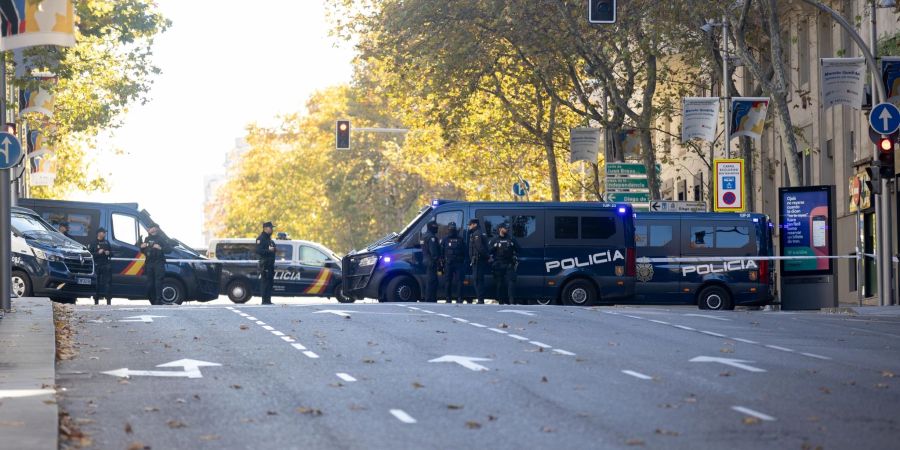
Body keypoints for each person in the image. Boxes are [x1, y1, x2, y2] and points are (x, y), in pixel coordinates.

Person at [141, 223, 172, 305]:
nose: (152, 229)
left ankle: (158, 300)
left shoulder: (161, 238)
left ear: (156, 229)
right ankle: (152, 300)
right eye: (151, 228)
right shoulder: (146, 239)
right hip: (149, 263)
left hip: (159, 263)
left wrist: (160, 248)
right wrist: (142, 247)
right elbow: (143, 251)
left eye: (154, 228)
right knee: (150, 283)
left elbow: (169, 249)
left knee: (158, 282)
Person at [489, 222, 519, 305]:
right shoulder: (494, 239)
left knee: (511, 282)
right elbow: (489, 251)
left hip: (509, 264)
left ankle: (511, 301)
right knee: (499, 284)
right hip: (498, 264)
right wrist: (494, 248)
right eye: (505, 228)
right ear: (500, 229)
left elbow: (519, 250)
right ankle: (500, 302)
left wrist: (515, 254)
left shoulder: (511, 239)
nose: (507, 229)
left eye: (507, 228)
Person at [440, 222, 466, 303]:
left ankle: (448, 298)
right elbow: (465, 251)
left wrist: (442, 262)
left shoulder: (445, 239)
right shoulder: (460, 239)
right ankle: (459, 298)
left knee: (448, 281)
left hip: (449, 263)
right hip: (458, 263)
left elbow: (441, 252)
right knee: (459, 281)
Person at [467, 218, 489, 304]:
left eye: (470, 224)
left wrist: (487, 256)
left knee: (477, 280)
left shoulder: (477, 234)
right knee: (479, 279)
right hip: (478, 260)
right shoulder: (479, 233)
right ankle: (480, 298)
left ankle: (480, 299)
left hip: (478, 260)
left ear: (475, 224)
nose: (469, 226)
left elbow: (480, 248)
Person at [89, 227, 112, 305]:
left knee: (107, 283)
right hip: (97, 265)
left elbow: (112, 253)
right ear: (99, 233)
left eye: (105, 232)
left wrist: (109, 253)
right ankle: (96, 302)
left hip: (106, 265)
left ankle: (108, 302)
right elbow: (90, 254)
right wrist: (98, 253)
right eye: (103, 232)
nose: (105, 234)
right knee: (97, 283)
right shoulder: (93, 242)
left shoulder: (107, 242)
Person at [256, 221, 277, 305]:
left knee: (270, 282)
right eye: (270, 228)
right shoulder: (261, 238)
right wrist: (269, 250)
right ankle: (264, 300)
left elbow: (272, 249)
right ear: (265, 228)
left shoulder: (268, 239)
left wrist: (274, 249)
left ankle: (268, 300)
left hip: (270, 264)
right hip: (265, 264)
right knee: (265, 282)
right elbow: (258, 250)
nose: (272, 229)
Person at [421, 221, 440, 302]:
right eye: (435, 226)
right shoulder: (431, 237)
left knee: (429, 280)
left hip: (426, 260)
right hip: (431, 262)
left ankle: (429, 298)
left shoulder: (423, 236)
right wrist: (438, 260)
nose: (437, 228)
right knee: (432, 281)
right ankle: (430, 299)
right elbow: (434, 252)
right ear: (432, 227)